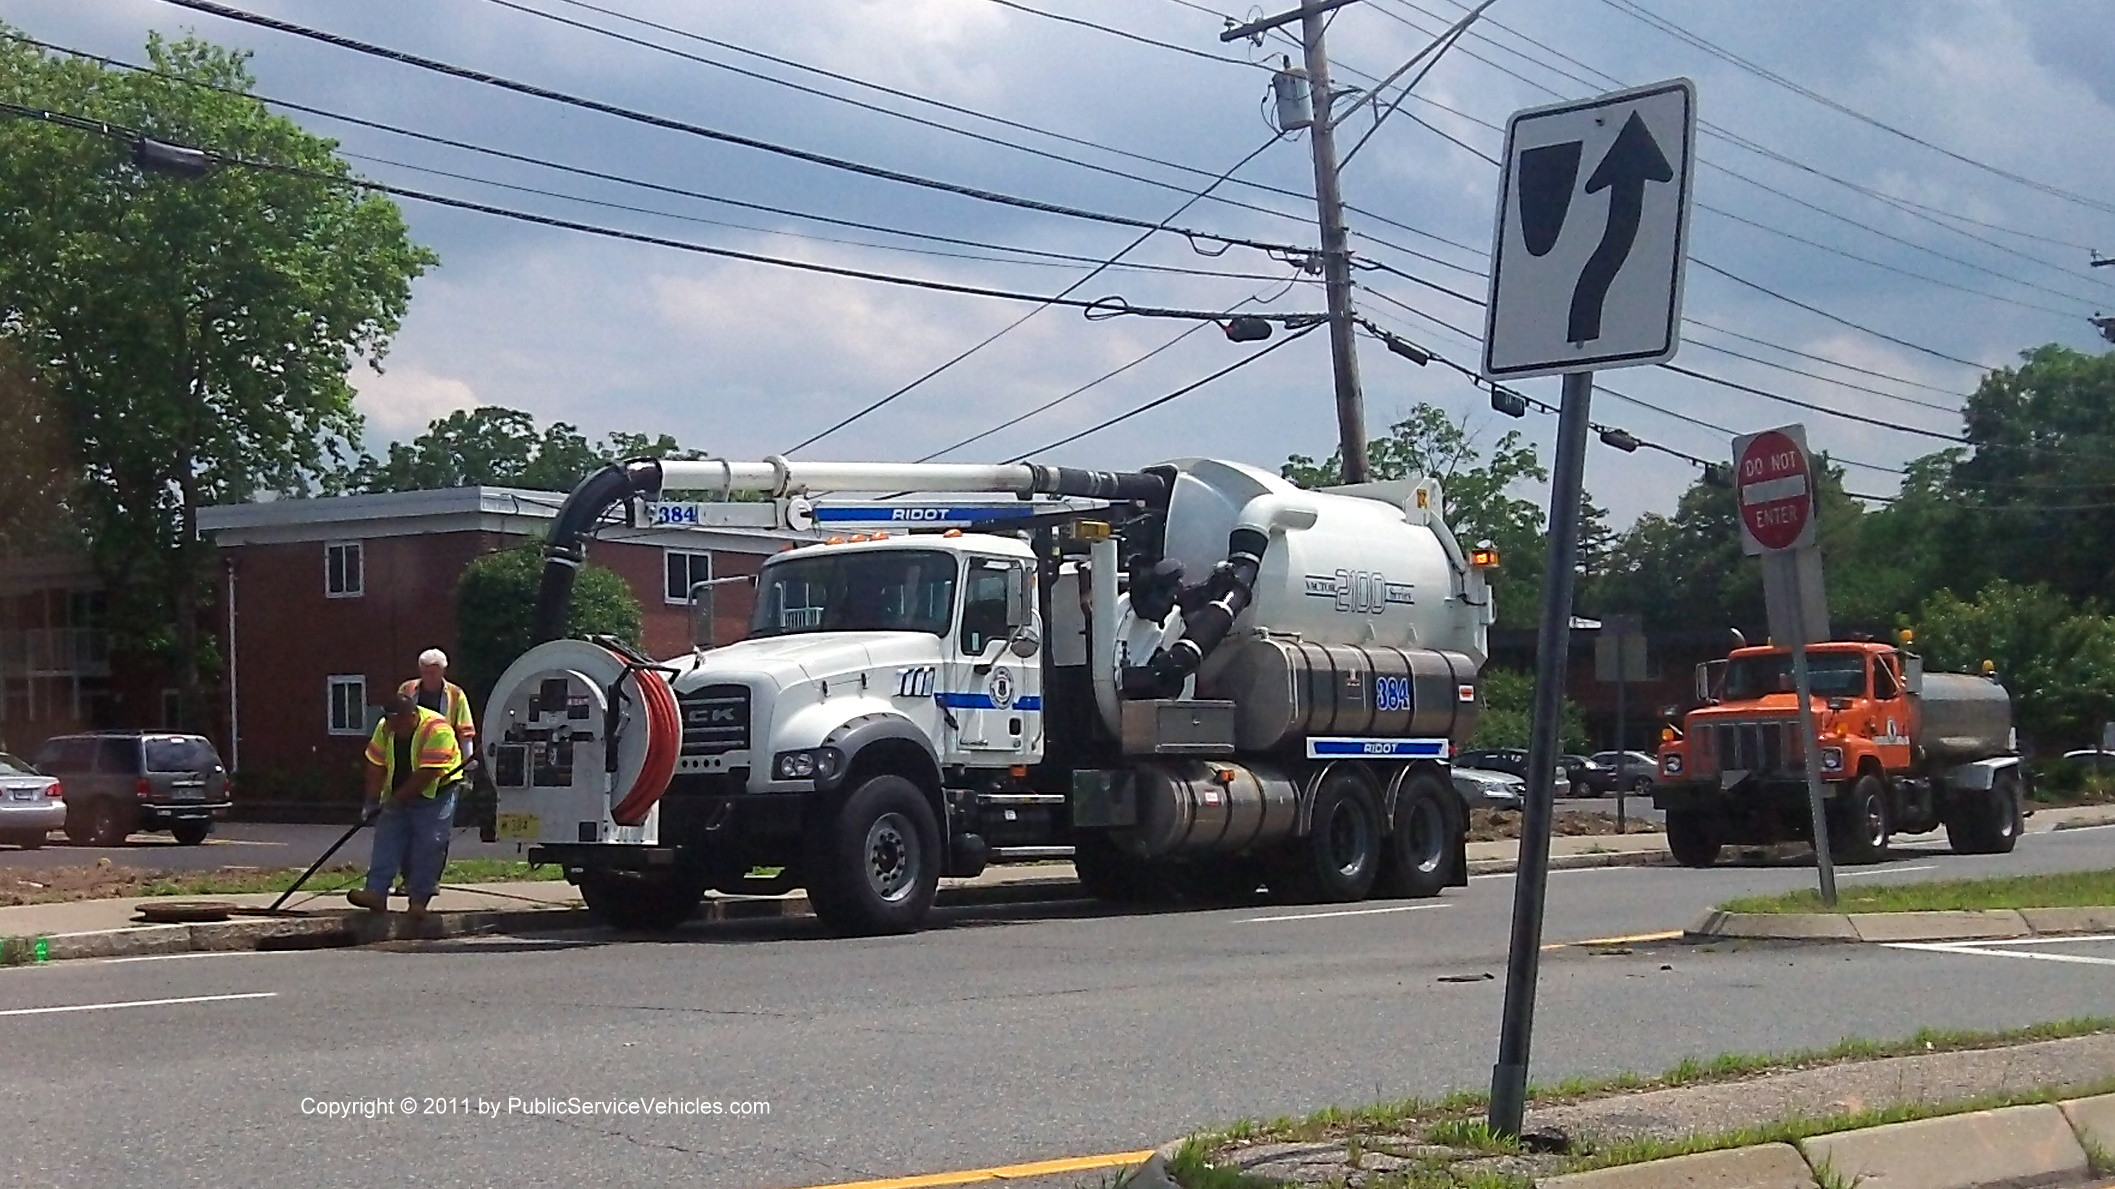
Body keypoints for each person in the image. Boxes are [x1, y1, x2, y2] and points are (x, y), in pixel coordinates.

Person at [349, 692, 464, 917]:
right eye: (390, 722)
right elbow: (376, 765)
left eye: (398, 723)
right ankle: (376, 893)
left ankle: (419, 901)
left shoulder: (437, 729)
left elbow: (428, 773)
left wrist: (397, 800)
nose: (393, 728)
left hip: (436, 792)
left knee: (429, 843)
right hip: (399, 791)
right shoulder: (385, 727)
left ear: (412, 717)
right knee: (387, 838)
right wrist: (372, 802)